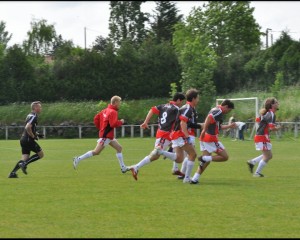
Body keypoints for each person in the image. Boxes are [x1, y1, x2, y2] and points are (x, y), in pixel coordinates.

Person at [129, 92, 186, 181]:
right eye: (182, 101)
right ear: (178, 100)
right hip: (165, 135)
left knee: (180, 147)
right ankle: (136, 167)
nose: (182, 103)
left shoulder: (163, 106)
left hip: (164, 133)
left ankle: (175, 168)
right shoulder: (176, 109)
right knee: (155, 155)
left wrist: (146, 122)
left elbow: (152, 110)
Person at [73, 96, 128, 173]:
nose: (120, 104)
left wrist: (101, 128)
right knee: (96, 152)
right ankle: (78, 159)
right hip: (106, 136)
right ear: (115, 102)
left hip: (108, 135)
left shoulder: (105, 110)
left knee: (119, 148)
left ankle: (123, 168)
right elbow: (113, 124)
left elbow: (96, 119)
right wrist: (121, 122)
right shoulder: (113, 112)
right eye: (119, 102)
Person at [155, 89, 200, 183]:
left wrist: (200, 126)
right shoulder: (188, 108)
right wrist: (188, 137)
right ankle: (187, 178)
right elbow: (183, 124)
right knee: (193, 154)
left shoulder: (185, 107)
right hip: (180, 135)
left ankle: (161, 152)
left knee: (179, 158)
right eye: (197, 98)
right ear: (193, 98)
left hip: (175, 135)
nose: (198, 100)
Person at [190, 99, 236, 184]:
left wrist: (230, 126)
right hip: (210, 138)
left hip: (205, 138)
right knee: (225, 157)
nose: (228, 112)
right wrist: (204, 130)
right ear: (225, 106)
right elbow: (209, 117)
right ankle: (204, 158)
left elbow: (219, 126)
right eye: (229, 110)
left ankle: (194, 179)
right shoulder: (218, 111)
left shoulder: (216, 110)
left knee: (206, 162)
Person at [8, 101, 45, 178]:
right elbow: (27, 127)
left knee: (25, 158)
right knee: (41, 154)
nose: (41, 108)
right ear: (35, 108)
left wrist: (37, 134)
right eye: (40, 107)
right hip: (28, 140)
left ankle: (12, 173)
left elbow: (30, 128)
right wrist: (33, 136)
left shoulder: (29, 115)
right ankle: (24, 164)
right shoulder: (34, 116)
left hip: (23, 139)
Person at [247, 97, 281, 177]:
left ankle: (252, 162)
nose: (278, 103)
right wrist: (278, 128)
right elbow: (272, 128)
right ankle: (257, 173)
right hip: (262, 137)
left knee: (269, 155)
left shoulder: (266, 112)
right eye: (276, 102)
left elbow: (258, 120)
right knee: (268, 156)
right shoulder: (271, 114)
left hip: (261, 136)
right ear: (272, 105)